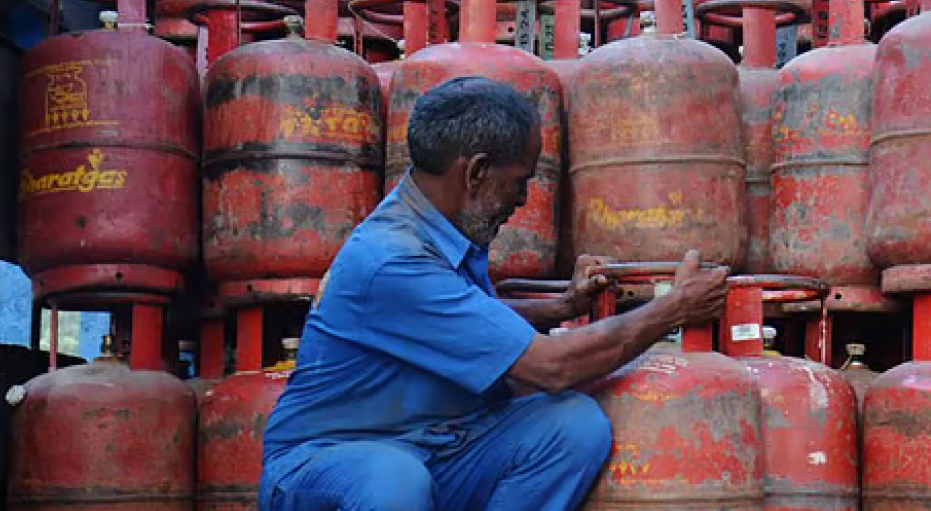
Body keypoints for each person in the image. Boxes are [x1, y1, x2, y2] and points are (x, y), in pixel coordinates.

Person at [259, 76, 729, 511]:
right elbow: (551, 367)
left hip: (435, 445)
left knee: (571, 427)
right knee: (394, 479)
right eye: (520, 181)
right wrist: (673, 308)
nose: (523, 199)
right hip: (328, 463)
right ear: (476, 173)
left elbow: (462, 321)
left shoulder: (438, 227)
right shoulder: (391, 260)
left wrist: (561, 308)